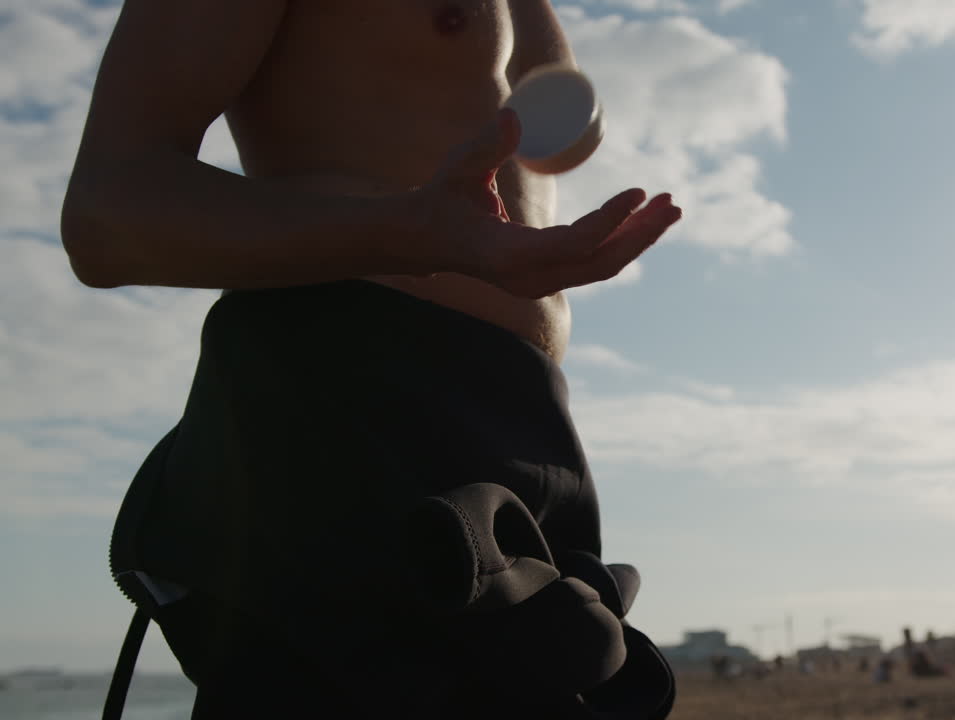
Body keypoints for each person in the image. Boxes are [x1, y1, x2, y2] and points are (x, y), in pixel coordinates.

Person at [63, 1, 683, 718]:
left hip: (526, 424)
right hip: (344, 409)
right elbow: (104, 216)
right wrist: (409, 228)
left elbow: (549, 119)